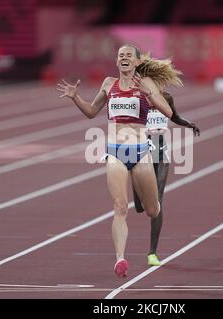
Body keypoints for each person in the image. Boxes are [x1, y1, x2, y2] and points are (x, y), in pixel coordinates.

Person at [57, 44, 173, 278]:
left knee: (152, 210)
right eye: (120, 55)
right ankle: (120, 258)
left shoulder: (147, 84)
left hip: (141, 151)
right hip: (116, 151)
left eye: (129, 55)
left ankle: (152, 203)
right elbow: (91, 112)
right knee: (120, 207)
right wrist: (76, 97)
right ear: (116, 61)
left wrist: (149, 94)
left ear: (138, 62)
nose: (124, 58)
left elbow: (168, 112)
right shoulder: (109, 84)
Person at [131, 55, 200, 266]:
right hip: (139, 152)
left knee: (158, 202)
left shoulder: (166, 98)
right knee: (140, 207)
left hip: (161, 154)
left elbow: (175, 117)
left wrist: (188, 124)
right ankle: (139, 193)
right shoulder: (135, 98)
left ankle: (152, 252)